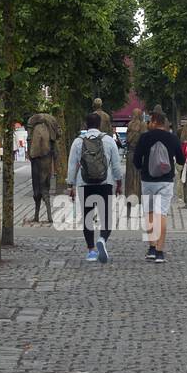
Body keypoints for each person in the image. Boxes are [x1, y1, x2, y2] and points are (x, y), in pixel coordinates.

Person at [66, 111, 124, 262]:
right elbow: (116, 165)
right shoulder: (109, 140)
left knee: (87, 217)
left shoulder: (78, 141)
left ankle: (91, 251)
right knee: (106, 217)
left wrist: (70, 185)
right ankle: (102, 239)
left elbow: (72, 165)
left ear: (86, 125)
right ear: (100, 124)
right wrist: (119, 183)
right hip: (105, 182)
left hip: (84, 184)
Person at [133, 109, 185, 263]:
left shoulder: (144, 138)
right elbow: (182, 159)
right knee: (161, 214)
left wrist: (143, 169)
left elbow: (136, 161)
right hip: (166, 181)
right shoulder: (172, 138)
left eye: (150, 121)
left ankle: (151, 248)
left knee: (149, 213)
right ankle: (160, 252)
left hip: (148, 180)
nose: (148, 123)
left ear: (155, 121)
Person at [124, 107, 146, 221]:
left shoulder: (130, 124)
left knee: (130, 178)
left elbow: (128, 140)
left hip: (130, 153)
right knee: (137, 178)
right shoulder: (142, 125)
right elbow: (144, 139)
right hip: (138, 154)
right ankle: (137, 199)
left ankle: (131, 199)